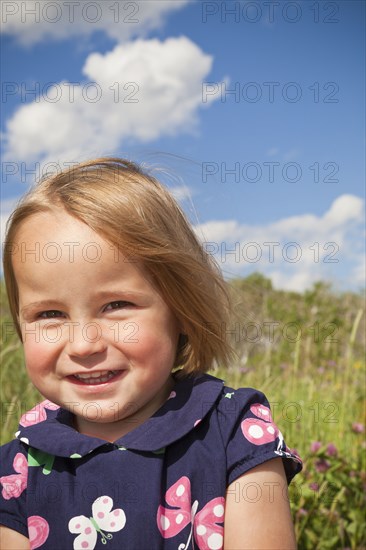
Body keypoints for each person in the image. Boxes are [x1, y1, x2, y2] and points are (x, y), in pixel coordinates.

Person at [0, 158, 302, 550]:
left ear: (180, 308)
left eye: (116, 305)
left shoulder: (235, 432)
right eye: (50, 314)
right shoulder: (18, 469)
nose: (83, 344)